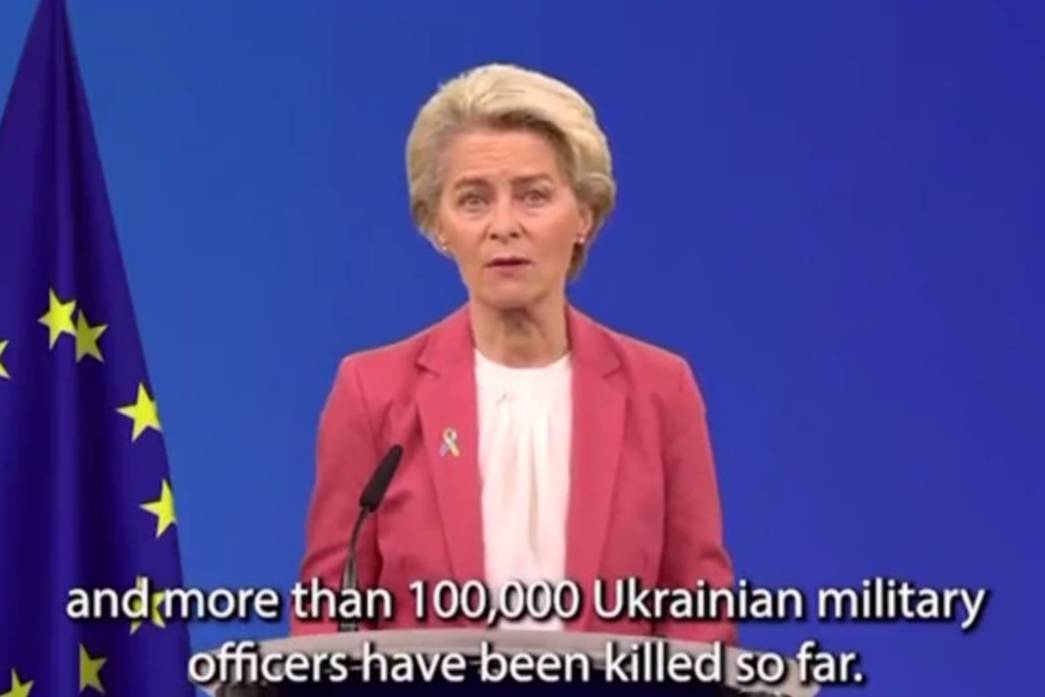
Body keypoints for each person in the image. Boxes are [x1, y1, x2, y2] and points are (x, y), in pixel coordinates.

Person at [292, 63, 735, 644]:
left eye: (533, 196)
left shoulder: (660, 390)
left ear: (584, 215)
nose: (504, 226)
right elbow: (328, 613)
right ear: (438, 225)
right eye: (473, 200)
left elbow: (698, 613)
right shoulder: (372, 393)